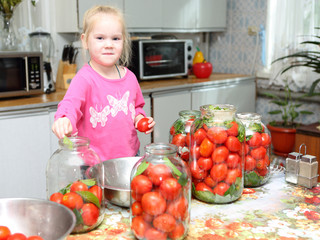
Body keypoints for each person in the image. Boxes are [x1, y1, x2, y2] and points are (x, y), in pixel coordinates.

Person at [52, 5, 155, 160]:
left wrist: (140, 119)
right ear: (85, 41)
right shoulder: (84, 78)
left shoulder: (131, 78)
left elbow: (137, 108)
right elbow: (70, 105)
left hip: (130, 157)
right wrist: (64, 119)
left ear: (123, 41)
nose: (109, 44)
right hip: (95, 164)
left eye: (115, 38)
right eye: (100, 38)